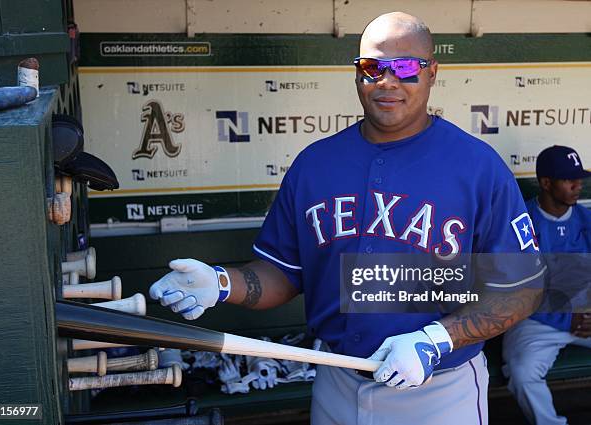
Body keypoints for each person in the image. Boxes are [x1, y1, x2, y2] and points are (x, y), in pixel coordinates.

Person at [150, 12, 544, 425]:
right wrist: (221, 282)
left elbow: (522, 289)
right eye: (373, 67)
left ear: (432, 73)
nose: (387, 82)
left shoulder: (478, 167)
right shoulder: (315, 164)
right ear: (357, 75)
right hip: (335, 381)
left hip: (438, 392)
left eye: (405, 67)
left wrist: (435, 340)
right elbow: (284, 274)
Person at [502, 145, 591, 425]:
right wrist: (566, 318)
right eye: (568, 179)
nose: (578, 185)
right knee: (522, 372)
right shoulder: (521, 224)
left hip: (586, 313)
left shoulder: (586, 219)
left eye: (579, 178)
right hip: (537, 319)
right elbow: (516, 290)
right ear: (546, 183)